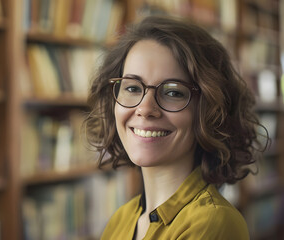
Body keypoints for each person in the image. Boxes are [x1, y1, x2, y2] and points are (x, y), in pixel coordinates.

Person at [84, 15, 268, 240]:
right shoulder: (121, 220)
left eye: (173, 92)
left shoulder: (211, 223)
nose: (145, 108)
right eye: (132, 88)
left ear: (210, 111)